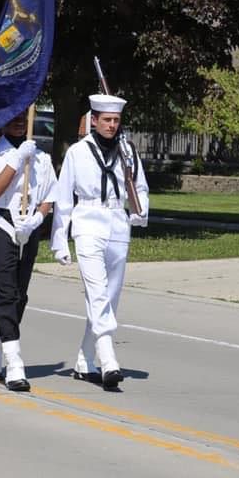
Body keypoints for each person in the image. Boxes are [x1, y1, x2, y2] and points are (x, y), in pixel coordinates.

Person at [50, 94, 150, 390]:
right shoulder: (78, 153)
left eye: (116, 120)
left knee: (111, 296)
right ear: (93, 120)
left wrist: (139, 211)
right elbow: (64, 199)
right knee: (96, 292)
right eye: (106, 120)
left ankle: (85, 359)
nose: (111, 125)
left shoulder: (128, 151)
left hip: (118, 222)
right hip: (88, 221)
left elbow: (140, 187)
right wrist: (59, 239)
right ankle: (108, 360)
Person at [0, 111, 57, 392]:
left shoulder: (41, 156)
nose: (20, 121)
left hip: (29, 226)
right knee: (7, 293)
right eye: (14, 117)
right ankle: (14, 364)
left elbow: (49, 195)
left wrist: (38, 218)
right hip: (2, 226)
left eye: (24, 117)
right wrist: (16, 159)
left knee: (21, 295)